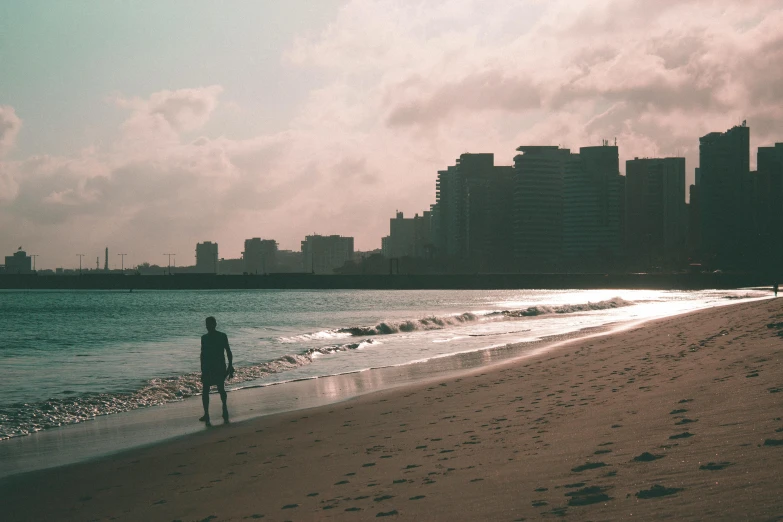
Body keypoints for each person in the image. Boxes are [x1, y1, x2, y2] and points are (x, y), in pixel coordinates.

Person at [199, 316, 234, 426]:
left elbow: (228, 352)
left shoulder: (221, 336)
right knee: (207, 390)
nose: (207, 326)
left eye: (209, 324)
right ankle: (208, 413)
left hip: (217, 366)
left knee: (219, 388)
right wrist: (202, 369)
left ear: (214, 324)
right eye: (206, 324)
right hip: (212, 367)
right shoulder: (205, 338)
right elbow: (202, 355)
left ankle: (223, 408)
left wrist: (230, 366)